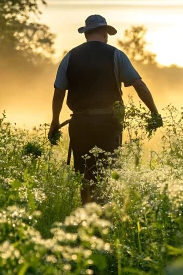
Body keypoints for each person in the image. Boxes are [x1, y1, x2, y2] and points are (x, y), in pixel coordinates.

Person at [48, 14, 162, 205]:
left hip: (80, 123)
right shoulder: (116, 54)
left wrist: (55, 121)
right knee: (107, 169)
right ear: (104, 33)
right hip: (109, 123)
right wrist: (154, 112)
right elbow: (138, 84)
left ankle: (86, 214)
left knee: (85, 172)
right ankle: (104, 214)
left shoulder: (70, 56)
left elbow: (59, 91)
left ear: (86, 34)